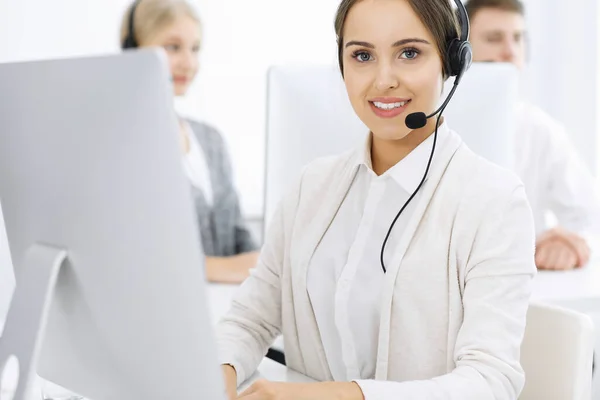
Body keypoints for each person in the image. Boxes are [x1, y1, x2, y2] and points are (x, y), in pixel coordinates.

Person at [216, 0, 536, 399]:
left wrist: (326, 397)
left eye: (409, 53)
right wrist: (216, 379)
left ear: (451, 63)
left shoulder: (494, 202)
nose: (383, 80)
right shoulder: (310, 188)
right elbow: (248, 321)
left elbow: (490, 380)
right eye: (363, 55)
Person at [119, 0, 260, 283]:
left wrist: (262, 264)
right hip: (163, 314)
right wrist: (223, 269)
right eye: (173, 47)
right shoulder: (121, 143)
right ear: (134, 51)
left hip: (226, 307)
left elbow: (236, 232)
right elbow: (131, 255)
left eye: (194, 49)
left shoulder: (210, 139)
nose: (189, 62)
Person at [465, 0, 600, 271]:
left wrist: (570, 243)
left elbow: (589, 217)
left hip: (520, 289)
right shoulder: (424, 123)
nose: (510, 51)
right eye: (494, 39)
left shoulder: (539, 129)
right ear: (459, 52)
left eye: (518, 38)